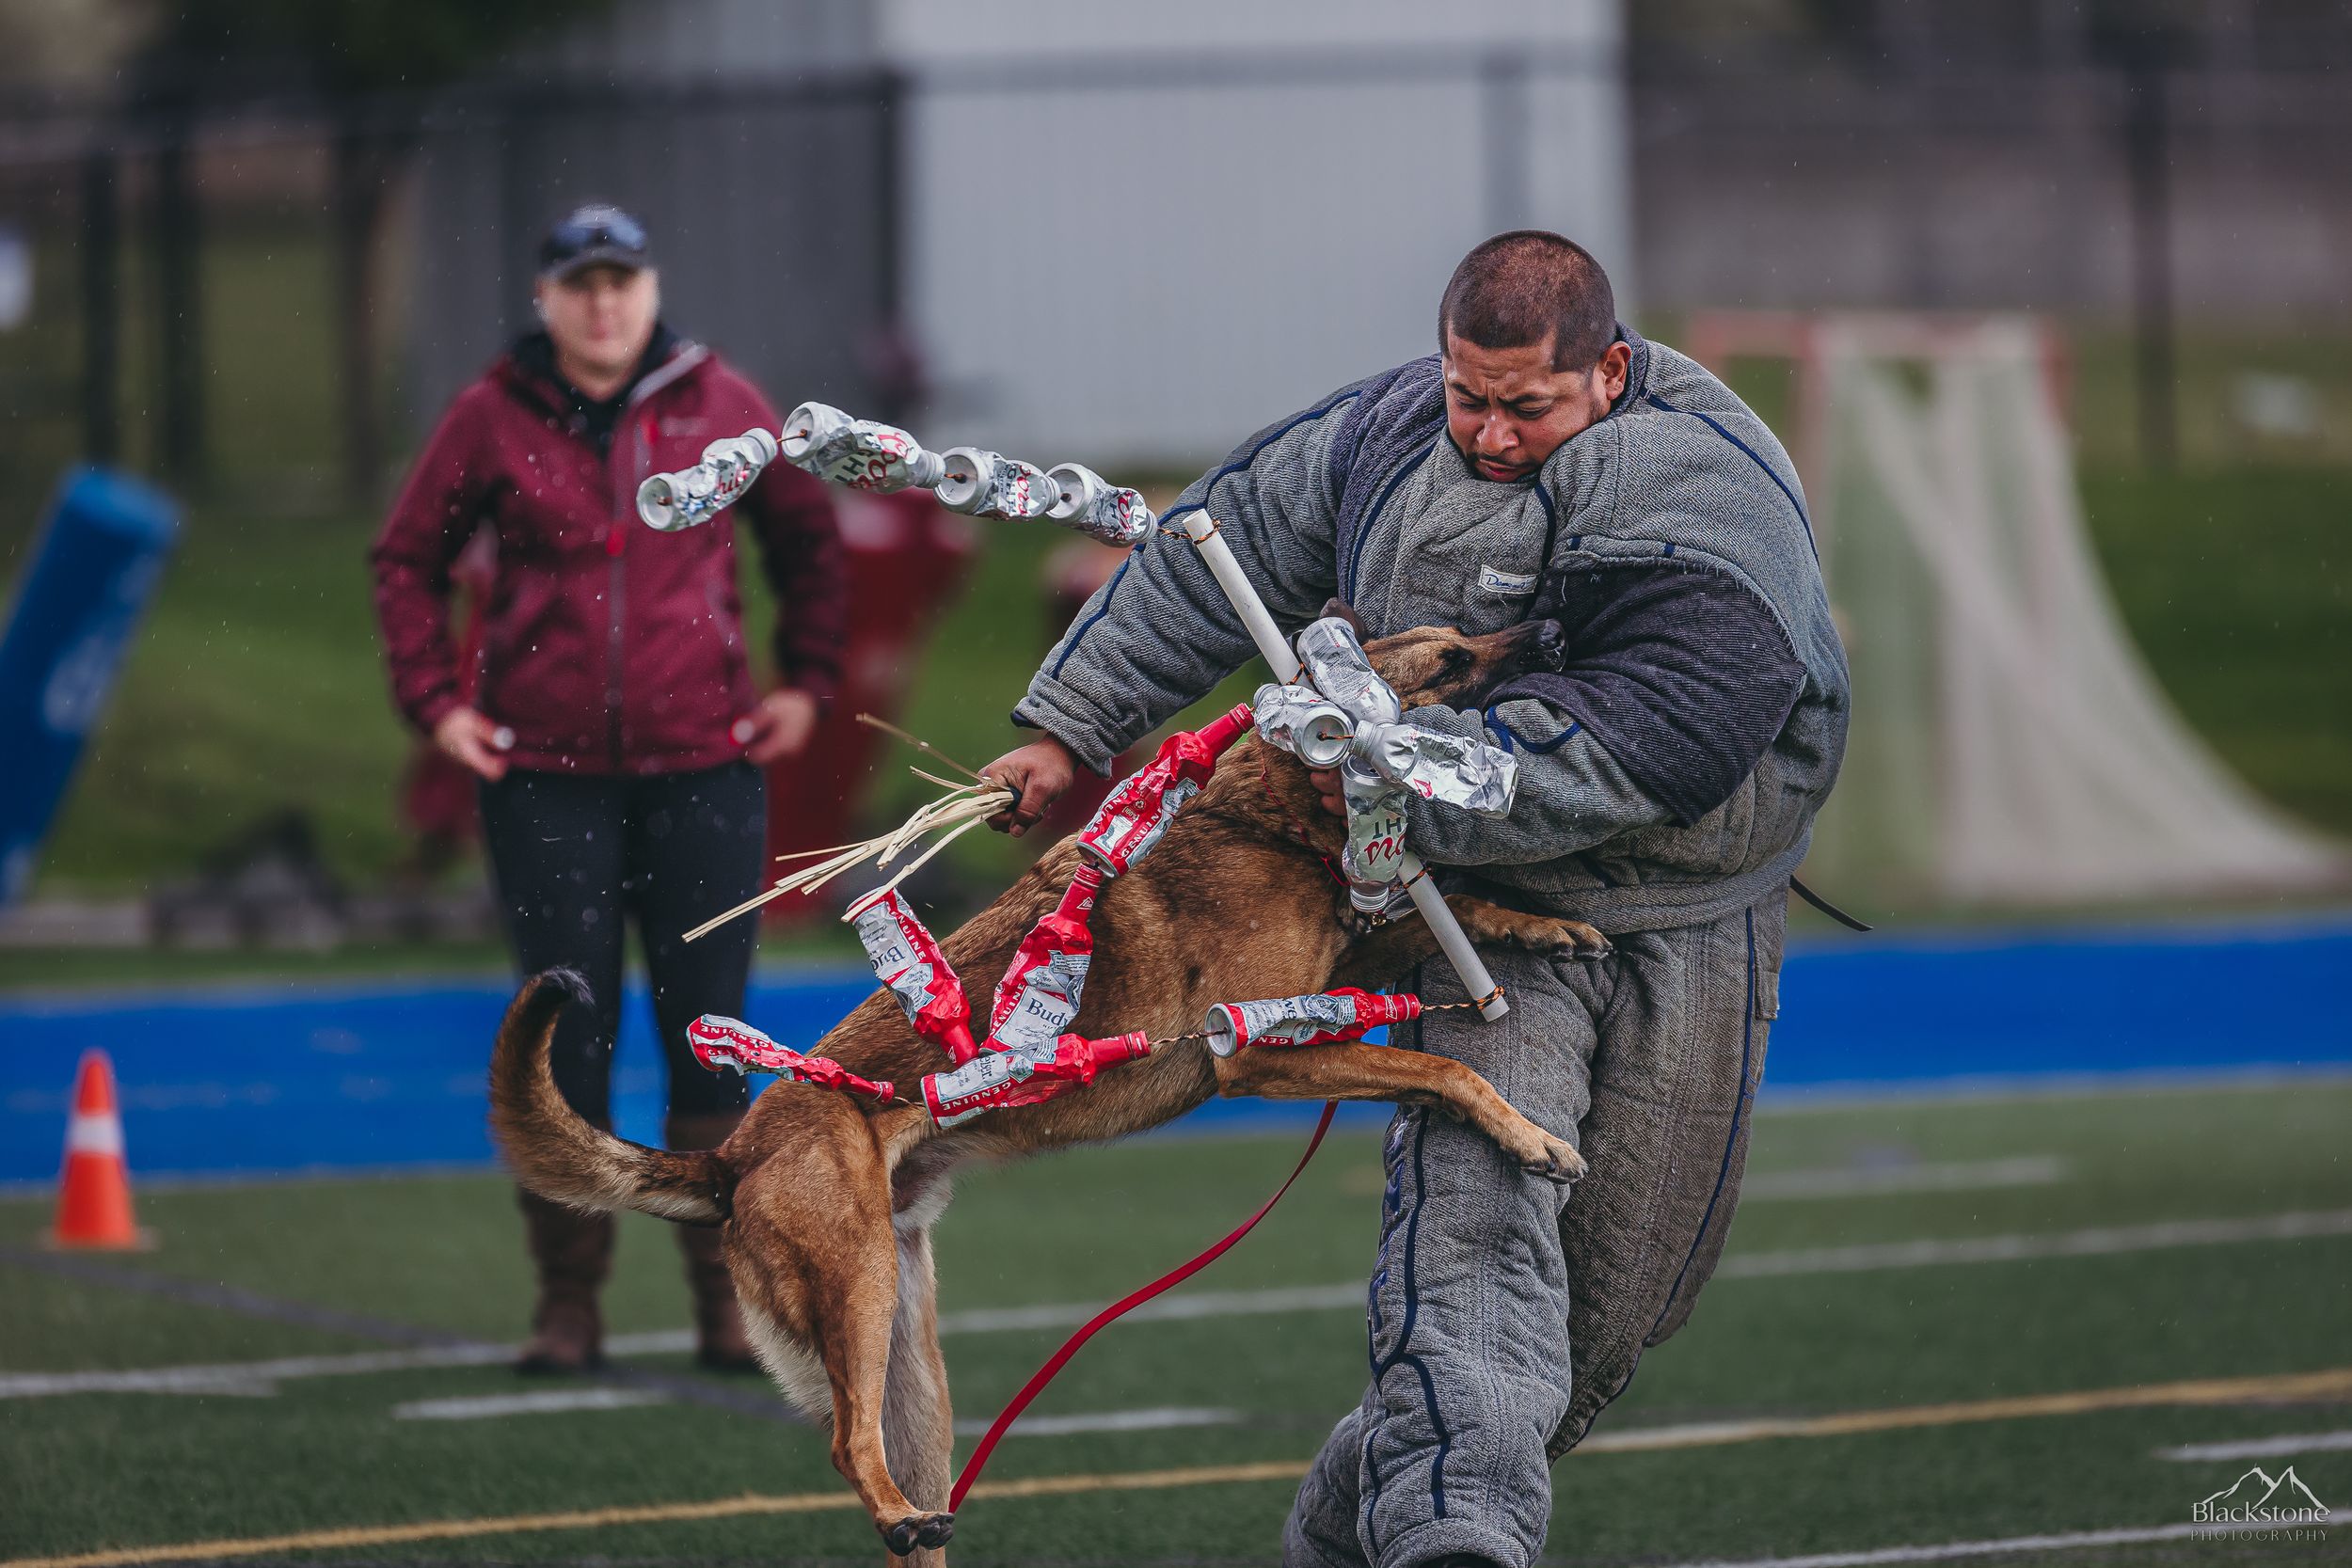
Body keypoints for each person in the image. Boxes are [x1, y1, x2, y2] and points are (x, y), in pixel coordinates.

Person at [979, 231, 1849, 1568]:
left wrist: (1402, 788)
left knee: (1609, 1319)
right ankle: (1457, 1540)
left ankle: (1342, 1533)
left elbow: (1663, 734)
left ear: (1610, 371)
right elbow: (1210, 553)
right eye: (1469, 396)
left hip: (1687, 920)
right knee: (1478, 1224)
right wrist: (1069, 721)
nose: (1492, 433)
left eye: (1528, 405)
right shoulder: (1379, 434)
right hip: (1462, 913)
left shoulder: (1707, 495)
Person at [370, 204, 846, 1373]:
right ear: (546, 298)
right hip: (544, 780)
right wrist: (437, 703)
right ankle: (567, 1304)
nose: (602, 302)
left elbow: (809, 542)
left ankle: (725, 1304)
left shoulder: (722, 402)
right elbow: (405, 559)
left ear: (650, 286)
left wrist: (810, 682)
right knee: (567, 1037)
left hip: (705, 770)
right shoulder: (489, 416)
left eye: (620, 280)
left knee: (709, 1042)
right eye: (579, 282)